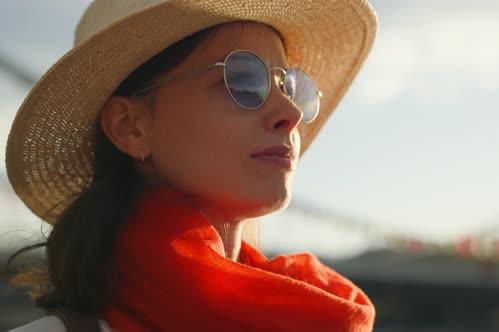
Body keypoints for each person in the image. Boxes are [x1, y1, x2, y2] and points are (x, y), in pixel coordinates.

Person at [5, 0, 377, 331]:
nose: (291, 112)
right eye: (244, 80)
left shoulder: (326, 312)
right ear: (130, 127)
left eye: (290, 87)